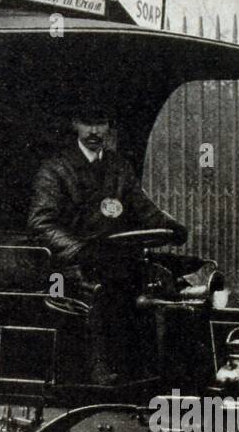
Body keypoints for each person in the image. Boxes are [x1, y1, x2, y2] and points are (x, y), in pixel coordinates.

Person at [27, 104, 188, 384]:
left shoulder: (118, 167)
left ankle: (154, 372)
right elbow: (41, 224)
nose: (93, 131)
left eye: (100, 123)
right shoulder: (55, 169)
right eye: (87, 123)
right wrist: (80, 250)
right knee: (103, 288)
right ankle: (99, 371)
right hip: (67, 266)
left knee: (161, 282)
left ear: (108, 127)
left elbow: (143, 207)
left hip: (114, 260)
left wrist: (171, 227)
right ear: (75, 124)